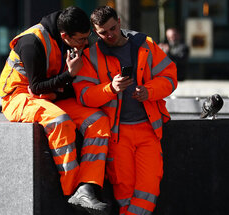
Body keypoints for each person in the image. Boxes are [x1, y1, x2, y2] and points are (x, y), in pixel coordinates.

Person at [0, 6, 110, 213]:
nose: (85, 44)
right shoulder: (31, 42)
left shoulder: (71, 39)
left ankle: (88, 184)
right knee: (60, 121)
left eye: (87, 38)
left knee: (99, 120)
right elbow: (36, 87)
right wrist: (69, 75)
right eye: (80, 40)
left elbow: (58, 88)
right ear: (64, 35)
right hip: (18, 97)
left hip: (52, 96)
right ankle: (74, 189)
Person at [72, 6, 178, 215]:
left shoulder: (145, 45)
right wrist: (110, 88)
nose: (109, 35)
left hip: (148, 131)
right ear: (95, 32)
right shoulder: (91, 55)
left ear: (119, 22)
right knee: (124, 193)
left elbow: (170, 77)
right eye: (103, 32)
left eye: (112, 28)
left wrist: (149, 91)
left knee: (149, 189)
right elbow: (84, 95)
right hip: (117, 136)